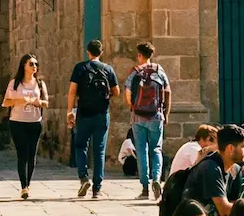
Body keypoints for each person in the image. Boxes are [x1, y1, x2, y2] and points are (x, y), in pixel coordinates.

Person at [67, 39, 119, 199]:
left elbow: (72, 91)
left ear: (88, 51)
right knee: (99, 150)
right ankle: (97, 188)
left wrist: (70, 111)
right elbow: (116, 91)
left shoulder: (80, 68)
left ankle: (83, 177)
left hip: (84, 113)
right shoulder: (108, 69)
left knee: (81, 145)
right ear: (101, 52)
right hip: (102, 114)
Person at [187, 124, 244, 216]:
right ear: (231, 148)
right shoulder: (211, 167)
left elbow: (234, 202)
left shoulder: (236, 169)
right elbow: (224, 209)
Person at [124, 42, 171, 201]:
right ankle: (156, 179)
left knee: (142, 151)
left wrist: (133, 107)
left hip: (138, 117)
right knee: (156, 149)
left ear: (139, 55)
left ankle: (144, 188)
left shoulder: (135, 73)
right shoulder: (159, 71)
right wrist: (166, 113)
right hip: (156, 115)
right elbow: (167, 92)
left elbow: (128, 96)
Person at [2, 53, 47, 200]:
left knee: (31, 155)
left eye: (35, 64)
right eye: (31, 64)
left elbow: (46, 103)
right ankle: (23, 187)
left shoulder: (40, 84)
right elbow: (6, 102)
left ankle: (28, 183)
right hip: (17, 122)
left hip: (35, 122)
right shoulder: (14, 83)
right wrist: (21, 99)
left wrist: (36, 102)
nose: (34, 67)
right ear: (24, 66)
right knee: (22, 155)